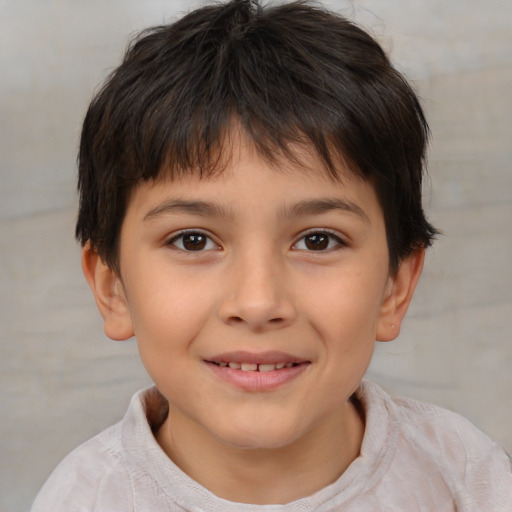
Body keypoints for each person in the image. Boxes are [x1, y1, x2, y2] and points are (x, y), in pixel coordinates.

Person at [31, 0, 512, 510]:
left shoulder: (464, 477)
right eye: (193, 241)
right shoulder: (83, 499)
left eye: (318, 240)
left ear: (395, 286)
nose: (258, 302)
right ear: (113, 287)